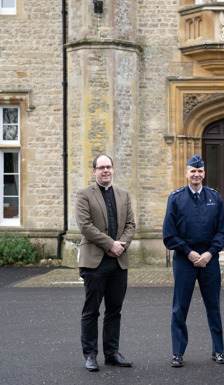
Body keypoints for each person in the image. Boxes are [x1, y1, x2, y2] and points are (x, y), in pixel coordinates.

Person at [162, 154, 224, 368]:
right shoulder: (176, 198)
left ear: (204, 174)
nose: (196, 175)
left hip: (209, 260)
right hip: (184, 259)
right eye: (193, 171)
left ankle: (218, 350)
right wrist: (188, 252)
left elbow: (221, 232)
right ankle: (178, 353)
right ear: (186, 173)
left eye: (200, 171)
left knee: (214, 307)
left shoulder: (215, 198)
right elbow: (169, 233)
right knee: (180, 307)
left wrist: (210, 253)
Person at [75, 155, 136, 372]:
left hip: (119, 261)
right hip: (95, 262)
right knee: (91, 311)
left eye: (108, 167)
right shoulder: (84, 194)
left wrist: (122, 245)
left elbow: (130, 224)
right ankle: (91, 354)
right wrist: (110, 244)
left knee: (114, 311)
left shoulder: (123, 194)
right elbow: (85, 226)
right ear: (94, 171)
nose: (106, 171)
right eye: (101, 168)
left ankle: (111, 353)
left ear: (113, 169)